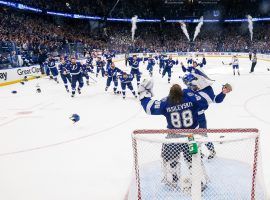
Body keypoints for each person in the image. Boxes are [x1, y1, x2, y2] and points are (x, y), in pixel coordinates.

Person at [181, 72, 232, 159]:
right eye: (186, 83)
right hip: (189, 117)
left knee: (203, 135)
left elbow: (216, 99)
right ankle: (195, 153)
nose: (188, 85)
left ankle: (212, 151)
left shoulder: (207, 89)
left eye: (188, 82)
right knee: (190, 136)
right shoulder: (186, 91)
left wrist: (223, 93)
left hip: (200, 117)